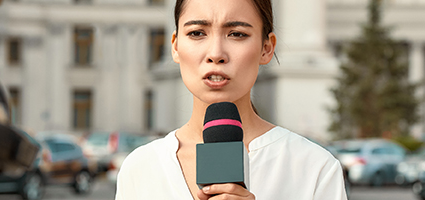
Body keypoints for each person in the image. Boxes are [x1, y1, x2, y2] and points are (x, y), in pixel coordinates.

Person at [114, 0, 348, 199]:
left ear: (266, 48)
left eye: (237, 34)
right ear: (175, 46)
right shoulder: (140, 168)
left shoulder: (314, 168)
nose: (216, 54)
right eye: (197, 33)